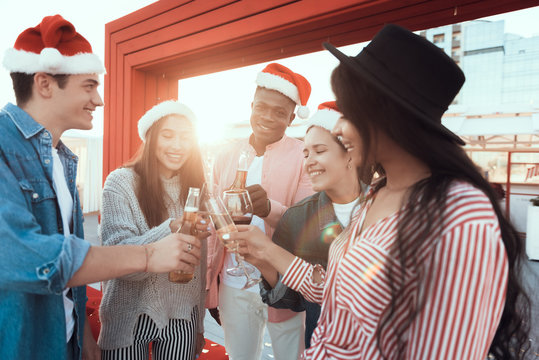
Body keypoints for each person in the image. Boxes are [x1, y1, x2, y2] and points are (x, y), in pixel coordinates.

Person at [233, 24, 530, 359]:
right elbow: (339, 292)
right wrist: (265, 251)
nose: (340, 129)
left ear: (384, 114)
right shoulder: (377, 192)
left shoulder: (459, 214)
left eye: (349, 113)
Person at [0, 15, 202, 360]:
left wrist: (84, 337)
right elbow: (25, 257)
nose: (100, 100)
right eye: (89, 85)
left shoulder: (62, 159)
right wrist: (151, 254)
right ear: (45, 84)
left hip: (65, 340)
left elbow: (70, 261)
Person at [207, 63, 314, 360]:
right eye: (262, 108)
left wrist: (269, 208)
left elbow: (307, 224)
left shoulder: (304, 156)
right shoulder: (225, 154)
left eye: (279, 112)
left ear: (292, 118)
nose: (268, 117)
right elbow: (213, 216)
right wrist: (209, 282)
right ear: (251, 106)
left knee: (290, 356)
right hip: (233, 279)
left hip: (283, 283)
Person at [98, 100, 208, 359]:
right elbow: (118, 259)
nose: (177, 146)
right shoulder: (120, 182)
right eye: (167, 136)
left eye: (185, 137)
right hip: (127, 313)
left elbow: (199, 266)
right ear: (150, 138)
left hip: (182, 314)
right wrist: (171, 228)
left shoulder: (197, 187)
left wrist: (199, 323)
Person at [255, 101, 362, 348]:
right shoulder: (297, 218)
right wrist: (259, 258)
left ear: (350, 154)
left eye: (320, 151)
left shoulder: (386, 209)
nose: (309, 161)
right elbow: (288, 300)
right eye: (306, 153)